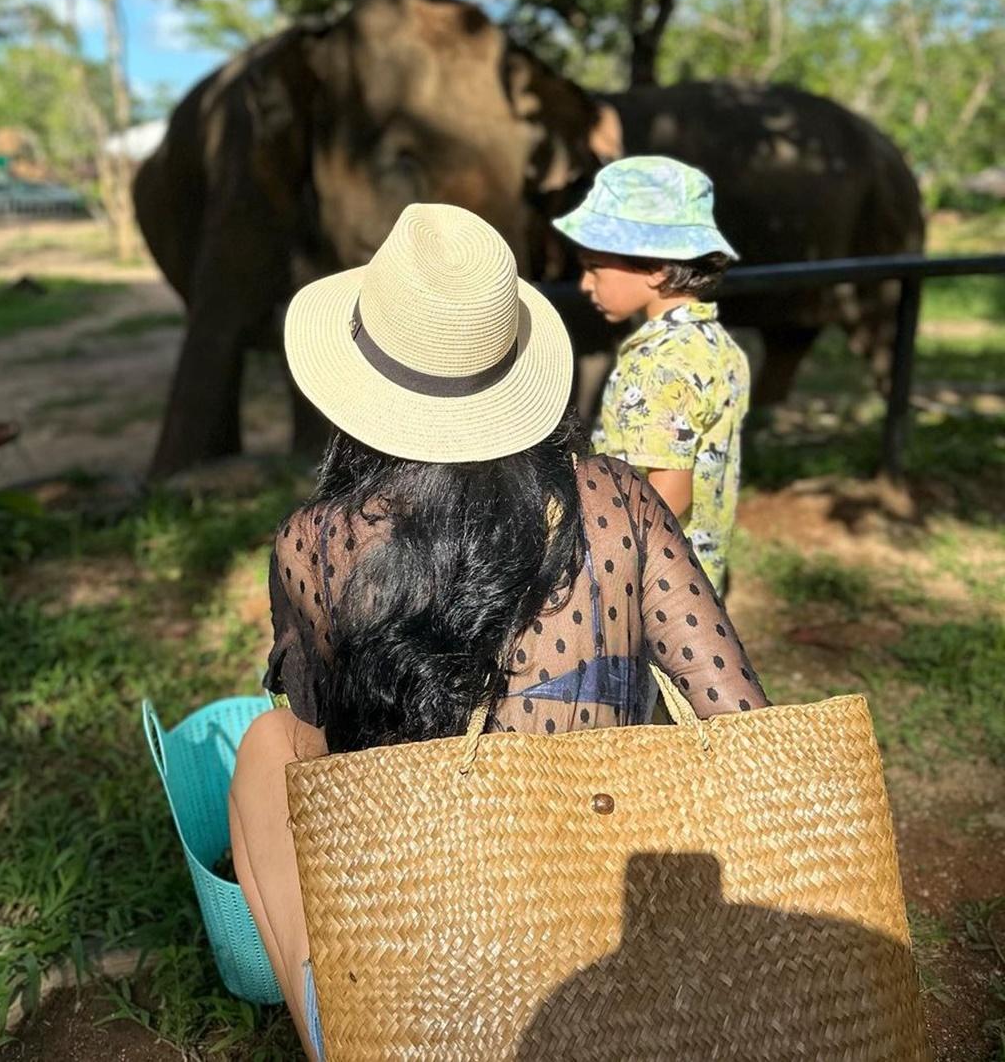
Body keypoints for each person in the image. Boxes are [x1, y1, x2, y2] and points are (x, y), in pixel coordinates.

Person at [228, 202, 767, 1060]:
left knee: (267, 746)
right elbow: (741, 718)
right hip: (624, 951)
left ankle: (351, 1037)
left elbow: (327, 759)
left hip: (434, 974)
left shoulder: (317, 541)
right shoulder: (620, 498)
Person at [554, 156, 749, 594]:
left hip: (648, 590)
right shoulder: (717, 344)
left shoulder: (661, 364)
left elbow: (669, 497)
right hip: (698, 580)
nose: (585, 284)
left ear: (657, 266)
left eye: (594, 266)